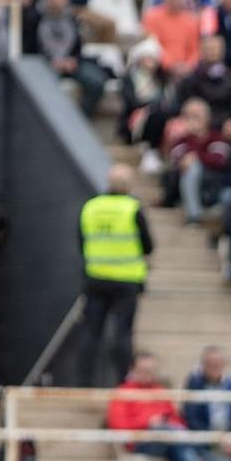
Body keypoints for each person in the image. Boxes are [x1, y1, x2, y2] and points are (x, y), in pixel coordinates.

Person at [76, 165, 154, 388]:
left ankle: (83, 383)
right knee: (122, 334)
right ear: (129, 185)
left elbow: (81, 242)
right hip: (126, 280)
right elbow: (148, 246)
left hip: (96, 277)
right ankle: (123, 383)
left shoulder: (90, 207)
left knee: (91, 332)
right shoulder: (132, 208)